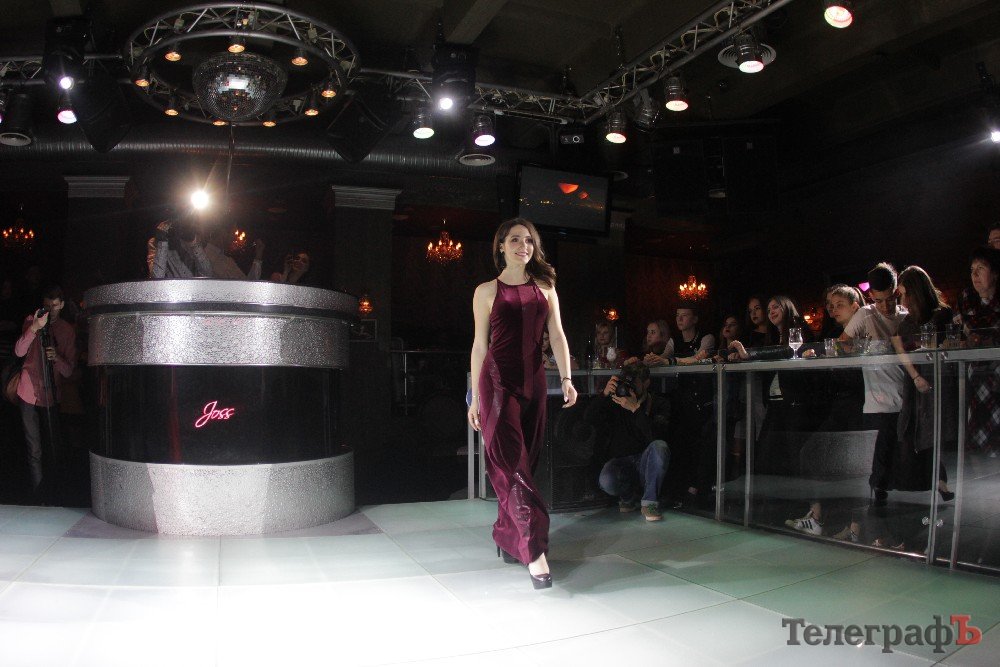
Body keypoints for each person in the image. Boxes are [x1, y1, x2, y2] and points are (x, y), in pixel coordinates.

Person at [468, 217, 577, 590]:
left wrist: (566, 378)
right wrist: (474, 396)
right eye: (515, 240)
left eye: (528, 240)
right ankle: (534, 551)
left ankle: (506, 534)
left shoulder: (546, 288)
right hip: (497, 384)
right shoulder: (486, 291)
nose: (523, 246)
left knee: (524, 465)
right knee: (512, 463)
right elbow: (479, 345)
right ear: (501, 246)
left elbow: (557, 335)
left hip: (535, 383)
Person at [840, 262, 908, 505]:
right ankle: (877, 499)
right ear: (871, 296)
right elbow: (842, 343)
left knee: (905, 448)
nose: (885, 306)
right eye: (879, 301)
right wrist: (863, 349)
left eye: (890, 299)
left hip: (905, 390)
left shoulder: (906, 315)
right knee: (879, 453)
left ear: (896, 291)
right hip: (877, 396)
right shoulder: (865, 314)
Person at [891, 266, 954, 500]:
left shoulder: (941, 314)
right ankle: (937, 480)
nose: (903, 301)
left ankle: (939, 480)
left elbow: (940, 345)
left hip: (937, 381)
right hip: (916, 383)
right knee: (916, 430)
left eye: (905, 294)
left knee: (931, 430)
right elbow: (900, 349)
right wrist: (915, 375)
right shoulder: (906, 322)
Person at [584, 362, 671, 521]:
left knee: (660, 446)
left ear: (646, 383)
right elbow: (588, 419)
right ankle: (628, 497)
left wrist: (635, 409)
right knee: (606, 479)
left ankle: (649, 503)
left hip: (646, 463)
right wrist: (604, 394)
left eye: (633, 383)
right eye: (626, 383)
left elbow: (656, 435)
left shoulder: (659, 403)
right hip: (622, 463)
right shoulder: (616, 401)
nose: (629, 388)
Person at [13, 286, 76, 500]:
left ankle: (55, 493)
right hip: (28, 391)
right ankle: (38, 496)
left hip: (50, 394)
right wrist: (34, 328)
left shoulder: (67, 330)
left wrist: (56, 357)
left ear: (62, 305)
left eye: (55, 306)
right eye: (47, 306)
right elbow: (19, 351)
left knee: (53, 447)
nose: (51, 310)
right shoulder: (33, 320)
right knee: (34, 449)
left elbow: (69, 371)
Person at [957, 246, 1000, 454]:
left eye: (981, 269)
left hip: (997, 376)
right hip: (976, 379)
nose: (975, 275)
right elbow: (958, 334)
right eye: (972, 270)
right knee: (978, 444)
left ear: (995, 273)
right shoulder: (966, 299)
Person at [147, 214, 213, 279]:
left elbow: (207, 274)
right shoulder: (155, 242)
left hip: (195, 285)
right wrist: (162, 242)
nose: (170, 227)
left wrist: (193, 243)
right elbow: (157, 277)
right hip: (173, 286)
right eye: (167, 224)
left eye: (173, 222)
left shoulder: (186, 237)